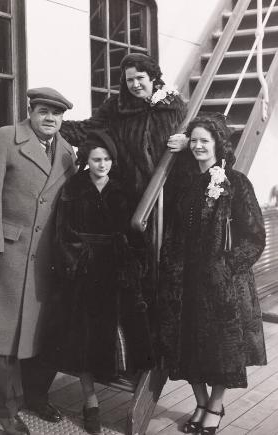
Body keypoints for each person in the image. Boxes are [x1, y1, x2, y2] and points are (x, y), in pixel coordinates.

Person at [0, 88, 77, 435]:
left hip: (46, 261)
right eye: (43, 111)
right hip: (7, 256)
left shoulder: (67, 151)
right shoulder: (5, 139)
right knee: (3, 337)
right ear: (30, 111)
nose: (50, 118)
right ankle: (6, 413)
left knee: (43, 336)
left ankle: (36, 398)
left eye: (57, 113)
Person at [60, 53, 188, 334]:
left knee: (168, 264)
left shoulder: (174, 106)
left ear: (153, 78)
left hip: (169, 197)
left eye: (140, 78)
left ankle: (166, 331)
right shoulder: (116, 107)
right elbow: (88, 129)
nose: (134, 85)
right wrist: (57, 125)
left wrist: (187, 140)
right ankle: (140, 337)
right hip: (132, 199)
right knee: (136, 265)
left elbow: (204, 134)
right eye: (129, 80)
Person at [158, 113, 267, 435]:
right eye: (193, 141)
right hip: (187, 280)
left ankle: (216, 405)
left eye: (205, 140)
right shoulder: (187, 184)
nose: (198, 146)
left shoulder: (236, 183)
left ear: (219, 143)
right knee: (187, 345)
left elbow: (255, 236)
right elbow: (176, 232)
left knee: (221, 349)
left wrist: (228, 269)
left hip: (222, 284)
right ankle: (201, 402)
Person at [43, 130, 154, 434]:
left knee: (127, 337)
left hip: (118, 271)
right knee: (83, 342)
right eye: (96, 159)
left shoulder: (124, 190)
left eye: (106, 159)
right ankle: (90, 401)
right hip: (84, 274)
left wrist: (134, 264)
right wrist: (76, 263)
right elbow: (62, 234)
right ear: (86, 161)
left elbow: (136, 234)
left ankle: (128, 395)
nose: (102, 164)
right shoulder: (73, 189)